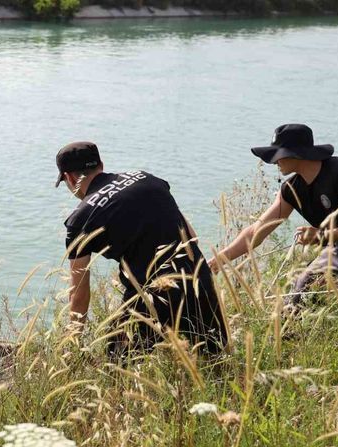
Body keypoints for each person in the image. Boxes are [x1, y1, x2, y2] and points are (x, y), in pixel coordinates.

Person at [56, 141, 226, 357]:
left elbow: (78, 293)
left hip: (151, 296)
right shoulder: (148, 179)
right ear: (101, 164)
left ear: (69, 178)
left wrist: (72, 343)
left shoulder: (80, 218)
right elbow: (191, 238)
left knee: (119, 370)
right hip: (197, 278)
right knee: (217, 362)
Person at [208, 124, 338, 309]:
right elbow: (256, 231)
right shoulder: (291, 190)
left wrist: (321, 235)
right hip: (337, 252)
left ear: (295, 153)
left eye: (278, 155)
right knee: (296, 298)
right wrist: (219, 260)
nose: (274, 162)